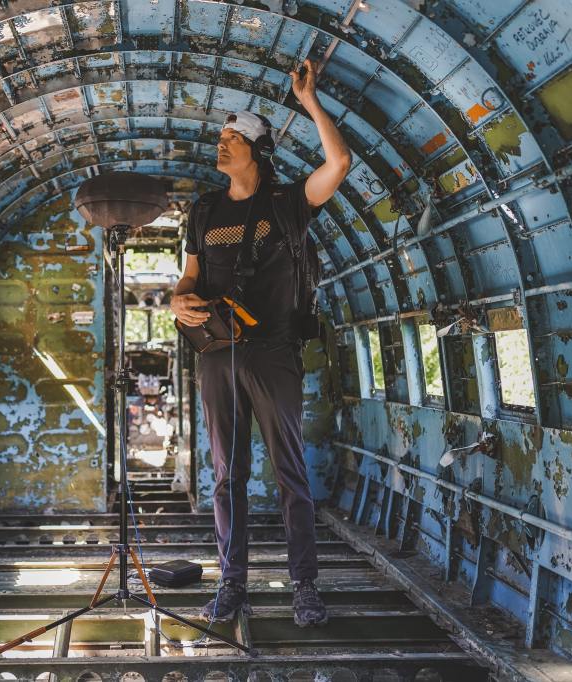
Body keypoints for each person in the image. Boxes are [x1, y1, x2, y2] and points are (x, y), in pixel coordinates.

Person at [170, 59, 351, 627]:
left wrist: (310, 101)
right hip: (217, 354)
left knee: (289, 471)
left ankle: (304, 586)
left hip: (273, 353)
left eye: (232, 138)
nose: (221, 146)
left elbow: (339, 162)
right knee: (227, 476)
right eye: (220, 138)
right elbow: (188, 280)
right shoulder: (203, 210)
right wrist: (177, 302)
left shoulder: (286, 205)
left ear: (256, 149)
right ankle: (232, 583)